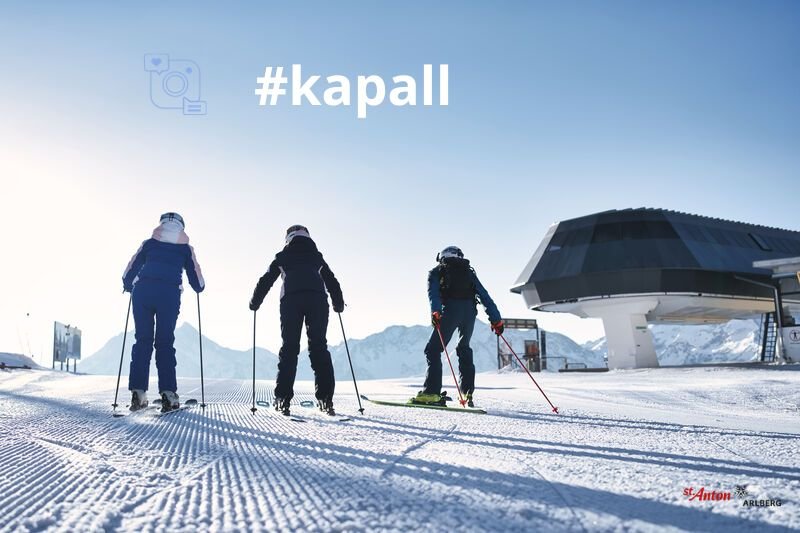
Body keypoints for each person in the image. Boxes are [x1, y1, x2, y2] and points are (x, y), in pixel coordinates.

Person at [249, 225, 344, 416]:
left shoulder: (282, 256)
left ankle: (282, 399)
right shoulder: (317, 257)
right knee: (319, 347)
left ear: (288, 238)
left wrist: (255, 302)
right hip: (318, 301)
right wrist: (338, 303)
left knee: (289, 348)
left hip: (291, 302)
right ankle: (326, 399)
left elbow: (266, 280)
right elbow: (332, 280)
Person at [122, 212, 205, 412]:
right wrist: (198, 287)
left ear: (160, 224)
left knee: (142, 340)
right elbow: (198, 283)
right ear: (181, 226)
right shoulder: (185, 249)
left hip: (143, 293)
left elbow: (128, 272)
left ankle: (138, 393)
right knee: (164, 342)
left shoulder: (148, 244)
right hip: (168, 295)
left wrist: (128, 285)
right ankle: (168, 394)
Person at [414, 246, 504, 407]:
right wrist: (496, 320)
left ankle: (431, 393)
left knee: (433, 350)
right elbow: (484, 295)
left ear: (442, 257)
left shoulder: (437, 272)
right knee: (464, 348)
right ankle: (467, 392)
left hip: (451, 311)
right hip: (469, 313)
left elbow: (433, 293)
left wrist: (436, 312)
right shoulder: (468, 272)